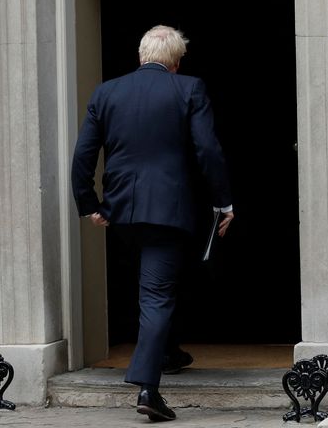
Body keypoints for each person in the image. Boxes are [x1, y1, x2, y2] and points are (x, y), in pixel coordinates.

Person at [71, 25, 234, 422]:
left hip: (121, 211)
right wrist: (223, 202)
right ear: (176, 62)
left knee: (153, 285)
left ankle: (167, 351)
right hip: (169, 211)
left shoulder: (106, 92)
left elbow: (83, 155)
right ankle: (148, 387)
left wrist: (89, 203)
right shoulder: (189, 89)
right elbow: (207, 150)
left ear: (141, 56)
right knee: (157, 293)